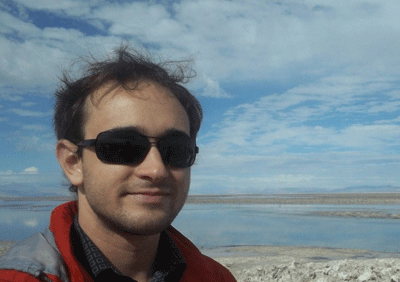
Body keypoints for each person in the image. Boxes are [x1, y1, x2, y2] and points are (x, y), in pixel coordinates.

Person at [0, 46, 237, 282]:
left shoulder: (216, 277)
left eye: (174, 150)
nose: (156, 169)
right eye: (124, 146)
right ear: (73, 163)